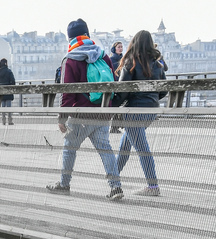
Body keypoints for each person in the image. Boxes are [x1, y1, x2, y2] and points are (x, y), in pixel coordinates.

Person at [47, 18, 123, 200]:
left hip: (81, 115)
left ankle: (64, 184)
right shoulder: (103, 55)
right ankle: (116, 186)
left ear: (70, 38)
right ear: (87, 35)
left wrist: (62, 118)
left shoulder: (70, 59)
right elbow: (112, 83)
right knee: (105, 149)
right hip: (103, 113)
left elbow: (67, 93)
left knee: (69, 148)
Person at [115, 30, 167, 196]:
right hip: (151, 110)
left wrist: (111, 105)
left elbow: (122, 90)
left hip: (135, 111)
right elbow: (163, 90)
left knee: (142, 149)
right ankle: (112, 176)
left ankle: (153, 186)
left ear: (134, 43)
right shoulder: (158, 63)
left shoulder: (131, 61)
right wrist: (152, 98)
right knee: (125, 144)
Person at [0, 58, 16, 124]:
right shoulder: (9, 71)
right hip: (8, 90)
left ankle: (3, 119)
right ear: (6, 63)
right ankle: (10, 119)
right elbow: (13, 81)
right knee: (9, 106)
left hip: (1, 92)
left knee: (3, 105)